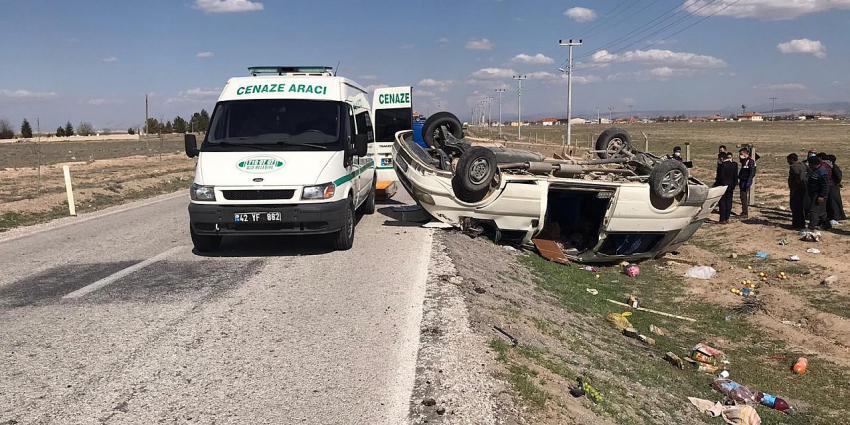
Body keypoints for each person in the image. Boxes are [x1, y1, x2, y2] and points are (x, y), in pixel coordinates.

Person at [806, 156, 831, 230]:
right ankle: (827, 225)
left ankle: (811, 227)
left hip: (818, 195)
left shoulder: (822, 172)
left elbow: (825, 185)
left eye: (810, 164)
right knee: (821, 212)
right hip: (814, 193)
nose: (809, 165)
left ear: (814, 164)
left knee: (813, 211)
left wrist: (822, 196)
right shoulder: (815, 170)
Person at [714, 152, 738, 224]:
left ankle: (722, 219)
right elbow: (735, 176)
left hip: (722, 186)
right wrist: (734, 185)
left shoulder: (722, 166)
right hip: (731, 186)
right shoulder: (734, 165)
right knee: (729, 202)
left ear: (721, 158)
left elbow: (720, 177)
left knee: (722, 203)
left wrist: (716, 185)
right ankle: (727, 218)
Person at [787, 153, 807, 229]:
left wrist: (794, 187)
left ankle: (797, 224)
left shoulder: (794, 167)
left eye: (788, 160)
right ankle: (801, 223)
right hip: (802, 189)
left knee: (795, 207)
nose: (788, 162)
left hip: (796, 190)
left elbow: (798, 178)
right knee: (800, 207)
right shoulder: (802, 165)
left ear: (792, 159)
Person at [827, 153, 846, 223]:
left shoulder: (834, 167)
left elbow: (838, 177)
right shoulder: (831, 167)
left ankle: (836, 217)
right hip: (832, 187)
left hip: (833, 187)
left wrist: (837, 183)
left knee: (834, 203)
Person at [738, 148, 756, 218]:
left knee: (743, 196)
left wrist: (748, 181)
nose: (740, 155)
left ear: (746, 153)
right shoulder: (744, 161)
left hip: (746, 181)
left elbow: (752, 172)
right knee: (742, 197)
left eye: (741, 154)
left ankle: (745, 213)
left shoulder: (751, 161)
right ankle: (744, 212)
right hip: (742, 180)